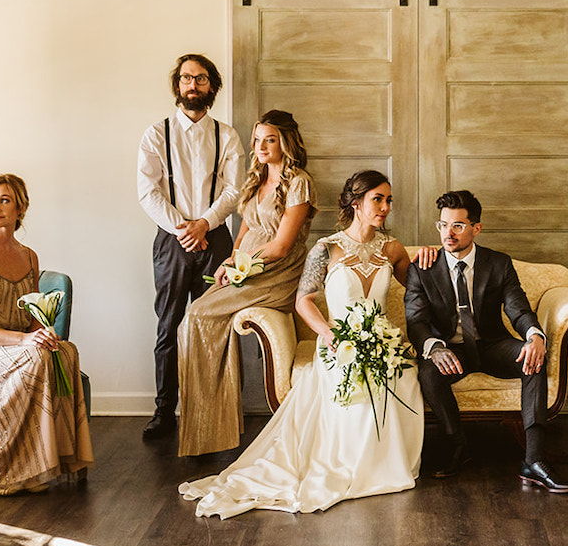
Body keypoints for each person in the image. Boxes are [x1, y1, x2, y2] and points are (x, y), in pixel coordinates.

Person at [180, 170, 426, 517]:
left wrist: (430, 258)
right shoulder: (326, 249)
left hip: (383, 344)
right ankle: (347, 467)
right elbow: (303, 302)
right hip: (337, 342)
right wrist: (329, 334)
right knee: (350, 387)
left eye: (388, 200)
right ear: (356, 203)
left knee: (402, 378)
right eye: (377, 199)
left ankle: (383, 467)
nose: (385, 207)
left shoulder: (393, 249)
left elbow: (420, 292)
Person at [406, 189, 568, 494]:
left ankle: (534, 461)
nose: (449, 233)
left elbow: (519, 309)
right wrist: (435, 347)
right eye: (443, 225)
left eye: (458, 225)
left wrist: (535, 336)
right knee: (428, 371)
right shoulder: (422, 268)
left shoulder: (498, 263)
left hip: (491, 345)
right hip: (450, 349)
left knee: (533, 360)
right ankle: (457, 445)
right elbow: (416, 321)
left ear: (476, 228)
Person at [177, 110, 317, 456]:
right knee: (192, 320)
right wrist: (230, 259)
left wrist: (244, 264)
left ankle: (213, 428)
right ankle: (204, 425)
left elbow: (283, 245)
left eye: (270, 139)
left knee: (199, 314)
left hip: (277, 271)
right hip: (244, 266)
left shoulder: (299, 181)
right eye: (257, 139)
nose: (261, 146)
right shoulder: (255, 179)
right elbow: (245, 229)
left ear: (286, 142)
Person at [0, 174, 94, 494]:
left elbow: (32, 317)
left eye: (4, 200)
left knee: (65, 351)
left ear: (20, 208)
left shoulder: (29, 256)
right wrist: (27, 341)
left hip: (17, 347)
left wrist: (43, 334)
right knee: (33, 355)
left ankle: (48, 463)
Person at [137, 53, 243, 441]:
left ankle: (212, 408)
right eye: (185, 79)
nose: (192, 86)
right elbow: (147, 192)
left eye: (200, 79)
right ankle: (165, 410)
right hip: (171, 239)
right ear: (177, 85)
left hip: (216, 240)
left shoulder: (226, 135)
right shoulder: (156, 134)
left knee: (215, 325)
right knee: (168, 325)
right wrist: (185, 227)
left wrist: (205, 224)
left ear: (211, 86)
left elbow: (234, 190)